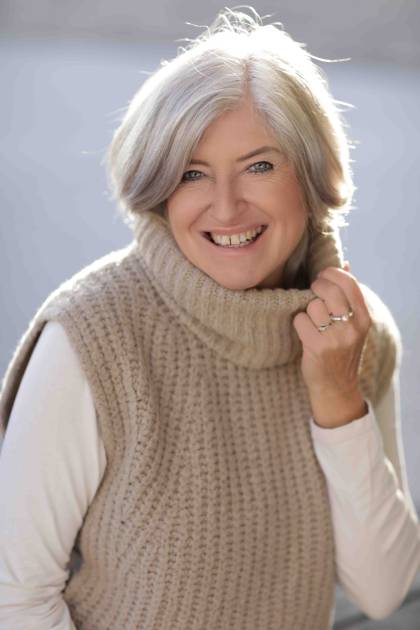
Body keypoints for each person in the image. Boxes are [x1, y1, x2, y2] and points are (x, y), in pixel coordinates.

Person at [0, 6, 419, 630]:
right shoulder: (91, 336)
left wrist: (338, 397)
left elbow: (383, 591)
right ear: (160, 190)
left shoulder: (354, 331)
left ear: (310, 177)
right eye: (192, 173)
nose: (225, 208)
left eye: (259, 166)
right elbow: (14, 598)